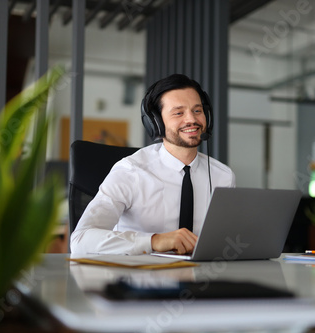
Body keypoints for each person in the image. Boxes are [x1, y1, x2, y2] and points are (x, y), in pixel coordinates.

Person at [70, 74, 236, 255]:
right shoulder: (130, 171)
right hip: (139, 279)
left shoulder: (223, 176)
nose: (192, 120)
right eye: (178, 113)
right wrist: (154, 241)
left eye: (197, 111)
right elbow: (81, 240)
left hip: (203, 278)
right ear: (155, 123)